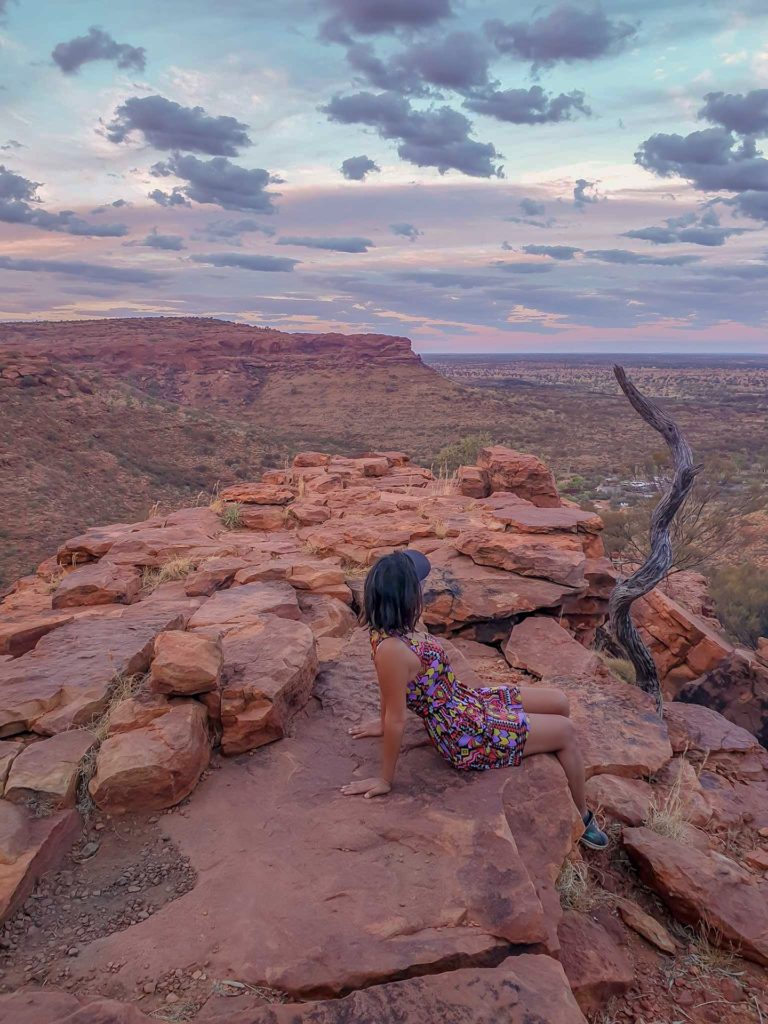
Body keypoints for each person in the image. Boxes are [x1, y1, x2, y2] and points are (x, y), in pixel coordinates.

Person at [341, 548, 609, 851]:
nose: (423, 589)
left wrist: (380, 719)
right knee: (565, 731)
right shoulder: (390, 648)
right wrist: (385, 779)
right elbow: (397, 717)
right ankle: (583, 818)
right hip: (464, 732)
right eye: (418, 585)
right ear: (404, 596)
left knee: (559, 701)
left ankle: (554, 754)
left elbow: (389, 690)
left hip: (466, 700)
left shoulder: (392, 632)